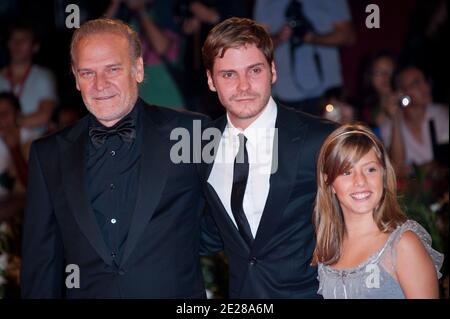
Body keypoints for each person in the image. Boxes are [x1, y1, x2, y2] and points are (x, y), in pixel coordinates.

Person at [20, 18, 208, 298]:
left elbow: (233, 224)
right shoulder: (48, 154)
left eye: (112, 69)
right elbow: (40, 261)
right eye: (87, 73)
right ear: (75, 77)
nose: (100, 84)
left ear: (139, 69)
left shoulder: (192, 133)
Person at [199, 17, 337, 298]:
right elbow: (210, 231)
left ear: (273, 71)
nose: (244, 85)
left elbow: (366, 219)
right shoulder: (201, 143)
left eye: (254, 70)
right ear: (211, 81)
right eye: (228, 74)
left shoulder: (320, 138)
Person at [312, 123, 443, 298]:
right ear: (330, 183)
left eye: (370, 169)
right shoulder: (327, 248)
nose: (360, 181)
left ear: (383, 174)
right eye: (346, 172)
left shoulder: (402, 245)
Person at [254, 0, 355, 116]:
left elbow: (348, 36)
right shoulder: (265, 2)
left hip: (328, 93)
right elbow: (257, 47)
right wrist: (280, 37)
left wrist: (313, 38)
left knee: (332, 133)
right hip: (284, 93)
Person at [379, 66, 449, 176]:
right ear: (402, 93)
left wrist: (414, 170)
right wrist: (396, 119)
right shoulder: (388, 126)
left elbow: (443, 162)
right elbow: (397, 168)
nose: (426, 87)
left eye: (425, 81)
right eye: (416, 84)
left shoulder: (440, 114)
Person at [0, 22, 58, 134]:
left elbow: (44, 116)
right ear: (7, 44)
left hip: (34, 144)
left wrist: (9, 122)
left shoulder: (44, 76)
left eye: (24, 40)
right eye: (13, 39)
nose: (17, 44)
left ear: (35, 46)